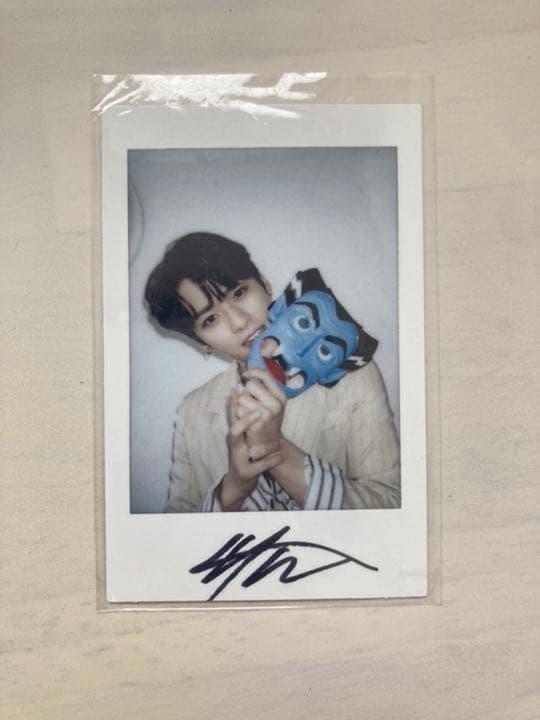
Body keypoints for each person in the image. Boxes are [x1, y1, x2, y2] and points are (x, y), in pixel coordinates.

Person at [145, 232, 400, 512]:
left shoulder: (352, 374)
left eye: (239, 293)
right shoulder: (191, 412)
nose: (239, 322)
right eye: (210, 319)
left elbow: (390, 503)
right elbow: (179, 528)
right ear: (201, 341)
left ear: (264, 283)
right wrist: (232, 490)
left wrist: (275, 449)